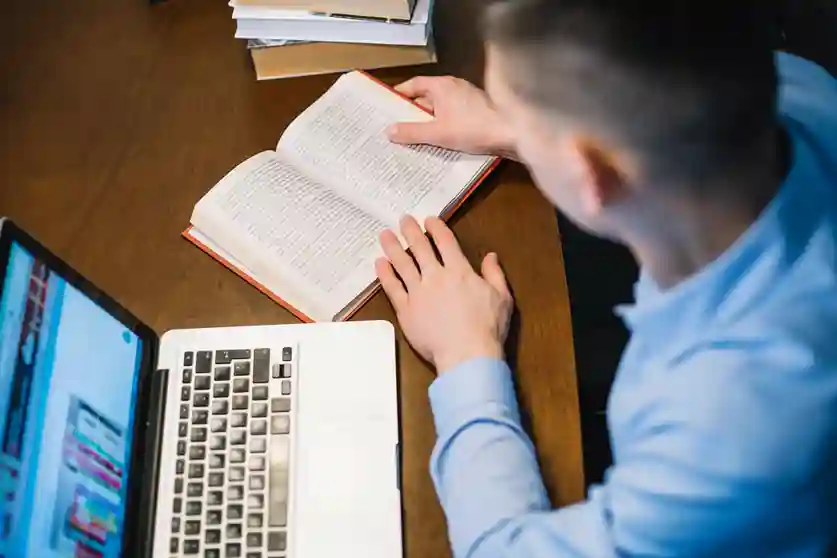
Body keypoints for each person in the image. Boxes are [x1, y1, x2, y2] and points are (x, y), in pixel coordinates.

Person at [373, 1, 837, 556]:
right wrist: (516, 129)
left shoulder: (727, 425)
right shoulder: (794, 85)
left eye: (517, 113)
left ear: (589, 171)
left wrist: (465, 356)